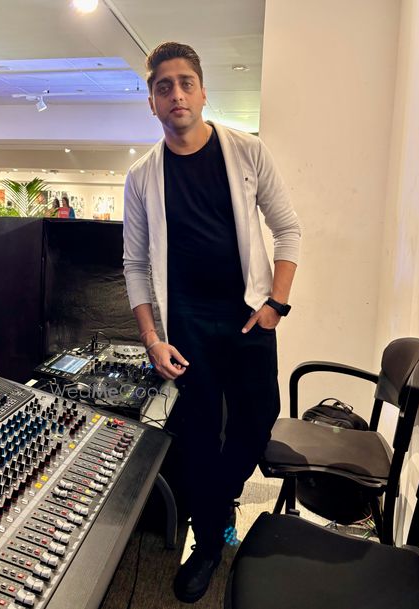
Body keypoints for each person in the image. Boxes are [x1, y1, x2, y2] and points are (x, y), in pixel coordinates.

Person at [123, 42, 301, 603]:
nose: (175, 94)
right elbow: (134, 264)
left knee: (258, 420)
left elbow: (289, 230)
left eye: (185, 83)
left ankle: (218, 503)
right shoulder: (141, 176)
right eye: (163, 87)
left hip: (250, 320)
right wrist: (151, 339)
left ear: (202, 92)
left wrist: (276, 305)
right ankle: (206, 545)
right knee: (197, 437)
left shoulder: (247, 151)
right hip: (186, 328)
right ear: (152, 102)